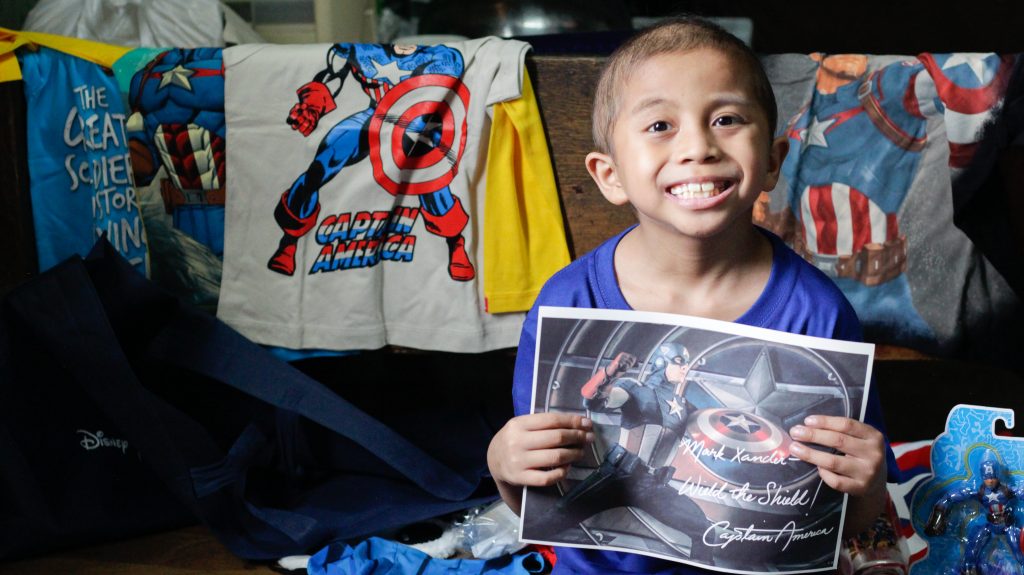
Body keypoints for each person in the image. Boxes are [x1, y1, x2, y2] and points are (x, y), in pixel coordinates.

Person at [486, 15, 893, 574]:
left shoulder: (817, 312)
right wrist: (506, 468)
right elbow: (545, 502)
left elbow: (858, 507)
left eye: (725, 118)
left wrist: (868, 486)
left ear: (772, 161)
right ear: (610, 175)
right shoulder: (568, 301)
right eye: (659, 126)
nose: (698, 146)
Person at [267, 42, 475, 280]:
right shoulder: (361, 51)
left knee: (433, 180)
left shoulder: (442, 57)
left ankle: (455, 242)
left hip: (415, 121)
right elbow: (332, 76)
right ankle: (289, 239)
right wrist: (313, 106)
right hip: (374, 116)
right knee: (320, 166)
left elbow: (438, 92)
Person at [528, 345, 714, 563]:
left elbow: (711, 432)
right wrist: (610, 373)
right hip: (617, 475)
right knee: (556, 517)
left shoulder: (684, 405)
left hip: (652, 484)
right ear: (662, 362)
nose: (685, 368)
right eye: (679, 361)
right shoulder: (635, 389)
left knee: (704, 531)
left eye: (686, 363)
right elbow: (593, 400)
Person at [924, 457, 1024, 575]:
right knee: (974, 543)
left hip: (1007, 526)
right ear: (982, 477)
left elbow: (1021, 493)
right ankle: (968, 568)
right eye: (987, 478)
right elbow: (951, 497)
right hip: (990, 525)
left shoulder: (1007, 491)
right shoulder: (980, 493)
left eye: (992, 477)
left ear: (997, 476)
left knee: (1018, 549)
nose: (990, 481)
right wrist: (938, 514)